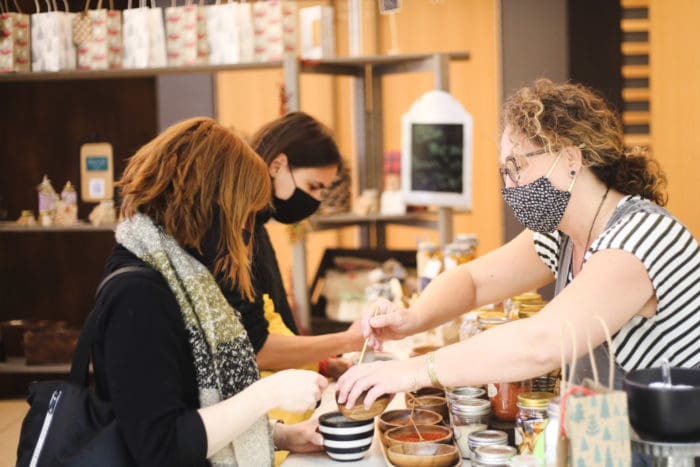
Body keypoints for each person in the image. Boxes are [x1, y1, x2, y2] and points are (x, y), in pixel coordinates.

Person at [336, 79, 700, 410]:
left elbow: (541, 344)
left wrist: (416, 370)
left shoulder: (640, 237)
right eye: (504, 172)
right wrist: (413, 318)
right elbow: (474, 282)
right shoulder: (563, 234)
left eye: (517, 167)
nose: (510, 186)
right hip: (614, 431)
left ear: (570, 159)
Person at [93, 117, 328, 467]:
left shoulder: (188, 280)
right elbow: (162, 446)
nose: (246, 236)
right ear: (211, 205)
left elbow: (193, 410)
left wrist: (281, 435)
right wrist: (269, 393)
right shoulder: (139, 296)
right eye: (244, 217)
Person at [197, 112, 364, 378]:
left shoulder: (255, 227)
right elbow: (256, 347)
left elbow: (270, 324)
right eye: (313, 186)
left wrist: (321, 364)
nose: (316, 200)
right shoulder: (230, 230)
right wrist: (347, 341)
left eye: (323, 191)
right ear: (277, 165)